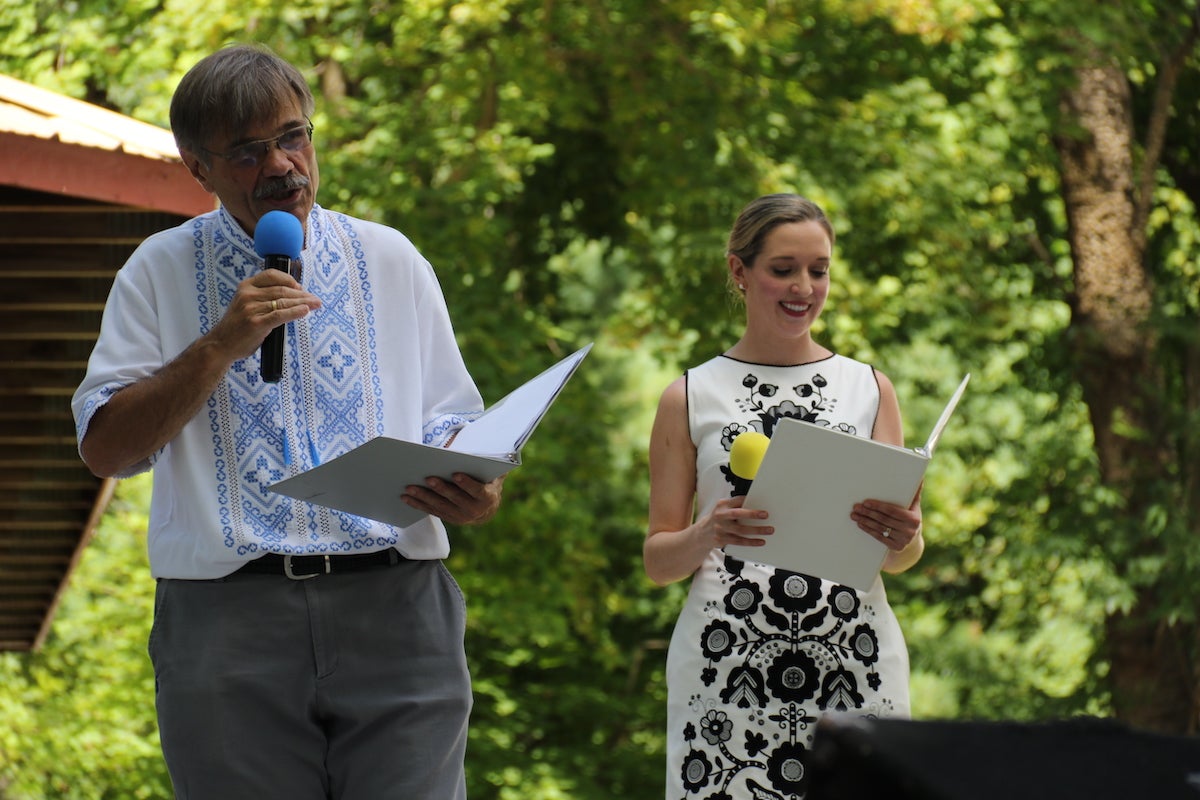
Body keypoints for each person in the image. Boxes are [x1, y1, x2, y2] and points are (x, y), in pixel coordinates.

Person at [71, 43, 503, 800]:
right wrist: (217, 346)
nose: (281, 166)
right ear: (197, 169)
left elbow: (451, 423)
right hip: (227, 621)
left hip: (398, 611)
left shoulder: (393, 257)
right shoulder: (157, 269)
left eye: (293, 136)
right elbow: (107, 448)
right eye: (246, 151)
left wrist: (476, 486)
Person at [644, 194, 924, 799]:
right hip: (725, 667)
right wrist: (706, 533)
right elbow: (657, 560)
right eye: (783, 268)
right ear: (739, 272)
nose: (804, 286)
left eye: (818, 270)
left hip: (855, 664)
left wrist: (905, 537)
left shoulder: (870, 390)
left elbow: (900, 557)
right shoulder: (688, 396)